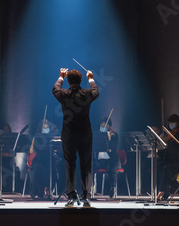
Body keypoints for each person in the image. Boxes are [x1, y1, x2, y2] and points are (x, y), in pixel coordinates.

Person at [52, 68, 99, 207]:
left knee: (70, 164)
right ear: (81, 80)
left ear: (68, 80)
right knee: (86, 165)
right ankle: (85, 197)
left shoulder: (64, 94)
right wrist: (91, 78)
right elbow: (96, 91)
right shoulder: (86, 93)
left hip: (69, 134)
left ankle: (71, 197)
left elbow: (55, 89)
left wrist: (60, 76)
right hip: (85, 134)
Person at [156, 114, 179, 200]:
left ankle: (163, 192)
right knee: (158, 166)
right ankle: (163, 191)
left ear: (177, 123)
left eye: (172, 122)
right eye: (169, 123)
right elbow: (163, 151)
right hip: (168, 160)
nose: (171, 124)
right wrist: (161, 142)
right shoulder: (168, 134)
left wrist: (169, 142)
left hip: (177, 161)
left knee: (166, 168)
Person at [28, 119, 59, 199]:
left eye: (47, 126)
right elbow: (31, 151)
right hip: (39, 159)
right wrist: (36, 145)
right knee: (38, 168)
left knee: (53, 170)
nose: (46, 128)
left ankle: (48, 188)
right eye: (44, 127)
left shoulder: (51, 137)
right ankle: (40, 189)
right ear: (40, 128)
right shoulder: (36, 136)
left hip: (49, 159)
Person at [95, 117, 121, 198]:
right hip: (100, 160)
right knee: (90, 167)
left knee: (111, 169)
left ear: (109, 126)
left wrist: (109, 138)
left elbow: (113, 149)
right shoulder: (99, 135)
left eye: (104, 126)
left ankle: (112, 188)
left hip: (111, 160)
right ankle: (93, 189)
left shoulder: (114, 135)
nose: (102, 127)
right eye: (101, 126)